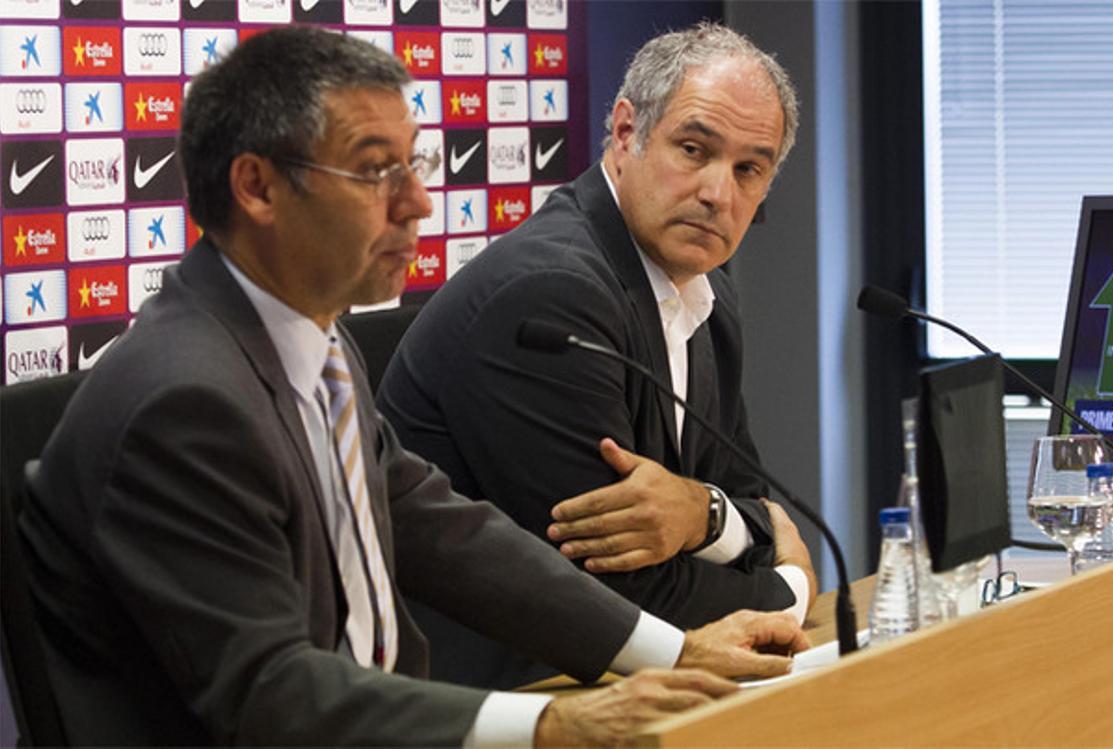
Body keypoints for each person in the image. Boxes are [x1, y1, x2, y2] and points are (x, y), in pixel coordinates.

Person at [17, 27, 809, 747]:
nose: (419, 203)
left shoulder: (312, 344)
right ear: (257, 187)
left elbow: (446, 532)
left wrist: (673, 650)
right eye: (374, 172)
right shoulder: (184, 399)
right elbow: (269, 690)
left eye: (414, 165)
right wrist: (548, 721)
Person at [378, 23, 818, 689]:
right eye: (694, 149)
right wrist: (789, 588)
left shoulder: (706, 292)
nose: (717, 193)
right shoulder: (550, 296)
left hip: (624, 680)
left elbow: (751, 498)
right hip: (500, 692)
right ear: (623, 132)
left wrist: (705, 513)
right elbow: (625, 593)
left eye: (748, 169)